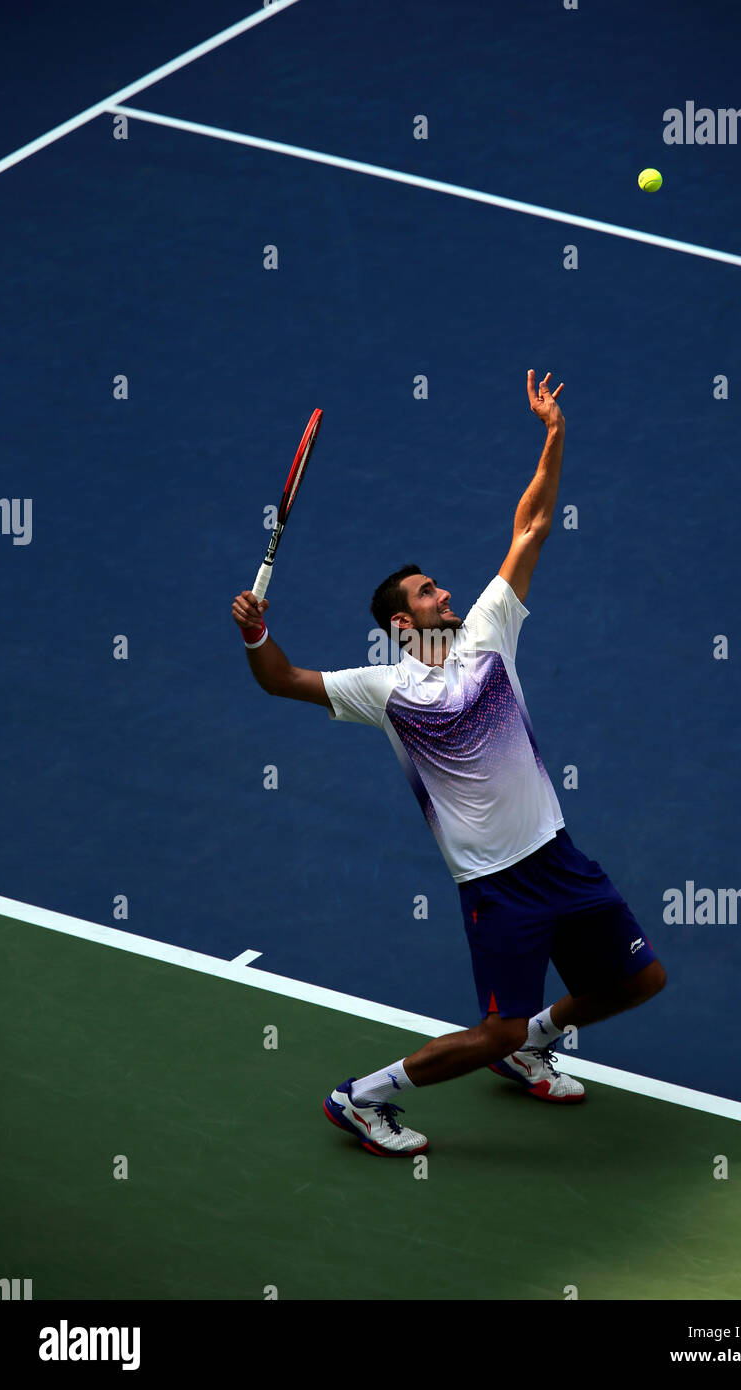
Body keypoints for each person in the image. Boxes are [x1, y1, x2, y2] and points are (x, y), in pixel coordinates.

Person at [231, 370, 666, 1157]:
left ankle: (537, 1040)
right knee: (492, 1029)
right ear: (404, 620)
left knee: (638, 981)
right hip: (497, 886)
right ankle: (362, 1097)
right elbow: (282, 681)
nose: (448, 592)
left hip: (559, 857)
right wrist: (257, 632)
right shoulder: (386, 689)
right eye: (431, 592)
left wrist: (555, 436)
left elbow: (529, 527)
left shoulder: (488, 636)